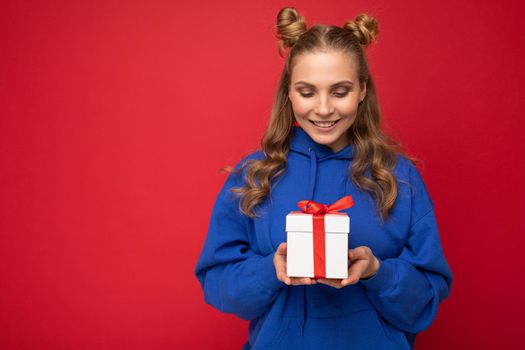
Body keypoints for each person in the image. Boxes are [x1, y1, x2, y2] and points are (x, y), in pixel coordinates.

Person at [194, 7, 452, 350]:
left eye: (340, 91)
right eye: (307, 91)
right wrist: (271, 270)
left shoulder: (399, 179)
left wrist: (378, 271)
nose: (324, 108)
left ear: (362, 90)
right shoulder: (254, 176)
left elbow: (426, 303)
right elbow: (218, 287)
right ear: (288, 92)